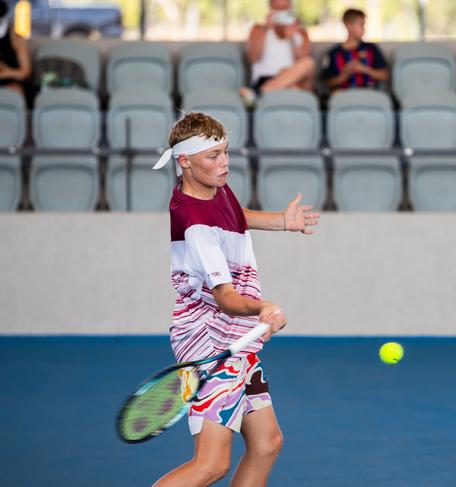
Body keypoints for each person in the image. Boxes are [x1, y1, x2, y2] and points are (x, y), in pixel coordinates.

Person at [151, 112, 320, 487]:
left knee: (266, 443)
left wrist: (281, 220)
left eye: (225, 152)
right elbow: (225, 296)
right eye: (212, 156)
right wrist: (262, 307)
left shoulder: (211, 187)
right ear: (185, 161)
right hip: (209, 341)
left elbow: (233, 215)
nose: (224, 162)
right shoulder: (195, 224)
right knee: (210, 465)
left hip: (235, 336)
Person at [240, 0, 315, 105]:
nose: (280, 12)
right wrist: (266, 28)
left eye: (284, 9)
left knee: (308, 63)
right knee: (294, 89)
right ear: (270, 9)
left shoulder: (301, 33)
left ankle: (257, 94)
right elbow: (253, 57)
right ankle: (266, 90)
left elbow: (304, 65)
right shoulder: (258, 29)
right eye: (277, 9)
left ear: (290, 9)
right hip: (265, 79)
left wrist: (292, 38)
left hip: (293, 80)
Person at [321, 8, 388, 91]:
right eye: (361, 25)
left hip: (370, 92)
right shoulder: (333, 54)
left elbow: (385, 75)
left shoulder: (371, 49)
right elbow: (327, 82)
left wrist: (364, 69)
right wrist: (345, 74)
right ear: (349, 25)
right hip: (344, 94)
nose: (364, 29)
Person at [0, 0, 31, 95]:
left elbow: (25, 72)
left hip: (10, 82)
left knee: (14, 91)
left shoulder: (16, 38)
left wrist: (5, 72)